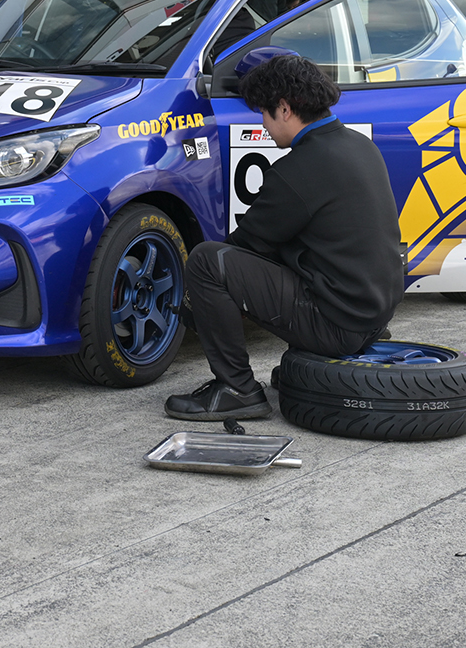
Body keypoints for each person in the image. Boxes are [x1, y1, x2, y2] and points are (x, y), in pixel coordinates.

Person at [166, 53, 403, 421]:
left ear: (285, 108)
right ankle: (316, 360)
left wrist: (193, 305)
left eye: (262, 112)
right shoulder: (360, 147)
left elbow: (243, 249)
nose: (261, 124)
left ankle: (237, 389)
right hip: (372, 317)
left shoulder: (298, 168)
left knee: (205, 262)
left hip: (338, 324)